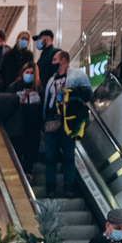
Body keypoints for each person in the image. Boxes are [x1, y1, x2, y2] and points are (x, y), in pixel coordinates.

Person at [43, 50, 92, 198]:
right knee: (50, 156)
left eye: (54, 59)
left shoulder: (78, 75)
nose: (52, 62)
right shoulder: (51, 80)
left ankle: (68, 186)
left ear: (63, 60)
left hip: (69, 120)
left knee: (69, 155)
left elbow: (88, 94)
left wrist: (70, 95)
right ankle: (50, 187)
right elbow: (47, 102)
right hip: (52, 120)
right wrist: (43, 121)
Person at [6, 62, 43, 178]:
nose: (29, 75)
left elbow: (43, 108)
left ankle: (28, 173)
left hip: (33, 127)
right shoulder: (13, 87)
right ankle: (17, 173)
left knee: (30, 151)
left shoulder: (39, 89)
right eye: (27, 72)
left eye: (32, 73)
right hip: (17, 127)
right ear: (22, 73)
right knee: (17, 150)